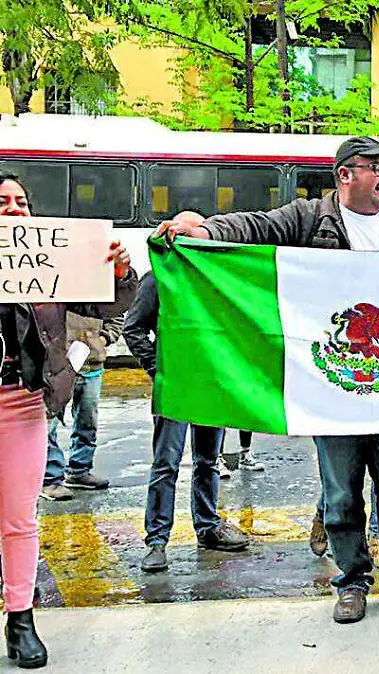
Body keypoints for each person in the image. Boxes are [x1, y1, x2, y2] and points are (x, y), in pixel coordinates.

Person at [155, 136, 379, 624]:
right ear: (345, 174)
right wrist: (204, 227)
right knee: (341, 494)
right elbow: (254, 227)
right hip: (333, 391)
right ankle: (352, 582)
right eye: (376, 168)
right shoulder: (307, 219)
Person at [1, 172, 138, 668]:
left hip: (19, 404)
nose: (14, 209)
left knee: (19, 519)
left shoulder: (48, 260)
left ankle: (21, 618)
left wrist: (119, 273)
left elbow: (103, 303)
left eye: (21, 201)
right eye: (2, 201)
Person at [124, 271, 252, 573]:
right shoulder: (160, 276)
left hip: (212, 384)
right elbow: (133, 328)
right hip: (175, 389)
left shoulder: (216, 274)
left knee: (208, 461)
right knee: (166, 464)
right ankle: (157, 541)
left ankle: (208, 527)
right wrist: (160, 370)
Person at [40, 312, 124, 501]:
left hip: (91, 363)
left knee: (88, 420)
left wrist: (102, 339)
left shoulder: (98, 294)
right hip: (55, 366)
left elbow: (117, 314)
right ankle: (50, 478)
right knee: (49, 422)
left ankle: (79, 470)